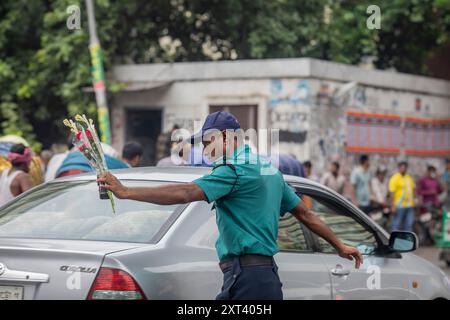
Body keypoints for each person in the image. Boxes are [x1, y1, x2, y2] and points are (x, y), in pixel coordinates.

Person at [98, 111, 362, 300]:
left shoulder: (233, 170)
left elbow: (186, 192)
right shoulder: (268, 170)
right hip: (259, 275)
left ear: (225, 137)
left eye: (208, 141)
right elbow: (305, 212)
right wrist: (340, 245)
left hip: (248, 277)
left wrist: (126, 191)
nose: (205, 149)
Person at [389, 161, 416, 232]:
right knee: (397, 225)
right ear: (399, 168)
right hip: (399, 206)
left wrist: (415, 200)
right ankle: (394, 240)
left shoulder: (409, 177)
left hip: (409, 206)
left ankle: (407, 242)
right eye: (402, 167)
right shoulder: (395, 178)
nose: (403, 169)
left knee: (409, 225)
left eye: (405, 167)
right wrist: (393, 206)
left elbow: (413, 190)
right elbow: (392, 192)